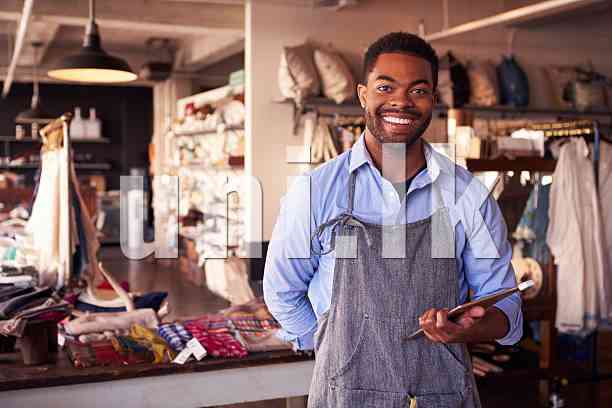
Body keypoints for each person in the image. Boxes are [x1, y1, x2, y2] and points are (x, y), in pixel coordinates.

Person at [263, 32, 522, 407]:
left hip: (442, 393)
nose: (401, 101)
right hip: (345, 395)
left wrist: (470, 329)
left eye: (418, 90)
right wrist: (337, 350)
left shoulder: (468, 196)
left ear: (433, 99)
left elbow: (507, 311)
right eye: (386, 87)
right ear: (363, 94)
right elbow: (282, 292)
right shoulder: (316, 191)